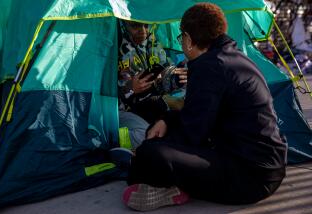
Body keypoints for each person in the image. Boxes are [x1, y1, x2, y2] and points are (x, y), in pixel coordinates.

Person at [122, 3, 288, 211]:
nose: (181, 42)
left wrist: (145, 153)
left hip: (248, 178)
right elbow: (202, 116)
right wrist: (167, 120)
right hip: (268, 168)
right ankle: (172, 184)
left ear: (189, 40)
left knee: (151, 151)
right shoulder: (233, 58)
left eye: (181, 37)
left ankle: (168, 186)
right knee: (162, 131)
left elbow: (192, 133)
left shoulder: (209, 67)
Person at [118, 20, 187, 148]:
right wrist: (129, 89)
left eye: (146, 25)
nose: (143, 31)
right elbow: (105, 92)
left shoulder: (152, 42)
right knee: (145, 136)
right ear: (123, 25)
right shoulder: (112, 47)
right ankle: (116, 144)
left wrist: (174, 76)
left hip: (151, 101)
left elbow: (165, 68)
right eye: (135, 26)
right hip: (122, 109)